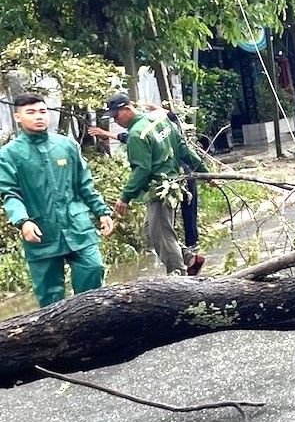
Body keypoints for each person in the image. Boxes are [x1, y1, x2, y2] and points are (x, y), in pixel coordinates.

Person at [0, 93, 115, 306]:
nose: (39, 117)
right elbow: (10, 194)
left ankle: (90, 327)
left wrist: (102, 211)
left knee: (93, 269)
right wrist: (23, 221)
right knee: (50, 297)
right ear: (18, 118)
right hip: (41, 231)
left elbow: (84, 184)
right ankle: (60, 338)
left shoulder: (66, 146)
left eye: (43, 111)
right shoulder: (9, 154)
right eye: (31, 112)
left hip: (77, 225)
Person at [89, 102, 202, 273]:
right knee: (150, 230)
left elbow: (141, 169)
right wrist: (206, 171)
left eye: (116, 116)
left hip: (159, 189)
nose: (116, 121)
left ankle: (179, 276)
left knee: (162, 234)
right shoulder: (159, 121)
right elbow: (183, 149)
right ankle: (189, 258)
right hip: (174, 184)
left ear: (127, 109)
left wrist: (125, 196)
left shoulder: (137, 134)